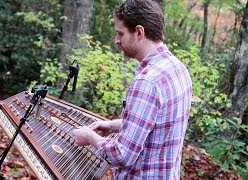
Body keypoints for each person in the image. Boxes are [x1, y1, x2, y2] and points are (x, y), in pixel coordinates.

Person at [72, 0, 193, 179]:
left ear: (139, 32)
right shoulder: (177, 68)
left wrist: (90, 137)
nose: (117, 40)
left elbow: (122, 155)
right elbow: (157, 124)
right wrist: (112, 125)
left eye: (120, 33)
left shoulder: (147, 82)